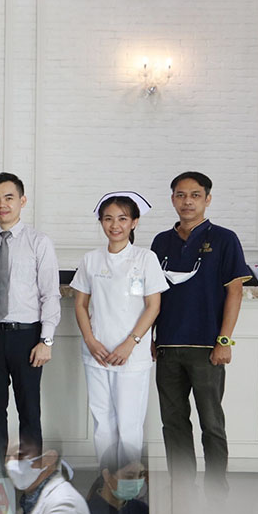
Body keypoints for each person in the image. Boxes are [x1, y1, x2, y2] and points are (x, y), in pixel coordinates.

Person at [151, 172, 252, 491]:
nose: (187, 201)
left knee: (211, 422)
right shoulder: (161, 242)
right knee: (173, 422)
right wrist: (152, 337)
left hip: (207, 348)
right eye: (180, 195)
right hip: (168, 347)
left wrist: (224, 340)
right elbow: (153, 295)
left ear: (207, 199)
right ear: (172, 199)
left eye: (195, 195)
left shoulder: (224, 239)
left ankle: (216, 488)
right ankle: (181, 486)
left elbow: (235, 291)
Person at [71, 193, 167, 470]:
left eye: (122, 219)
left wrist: (130, 343)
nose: (115, 225)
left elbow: (153, 306)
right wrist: (90, 341)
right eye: (108, 219)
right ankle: (107, 479)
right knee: (102, 421)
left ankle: (128, 484)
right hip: (97, 353)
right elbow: (80, 304)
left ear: (134, 222)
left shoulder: (145, 258)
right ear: (101, 222)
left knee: (129, 423)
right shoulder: (91, 259)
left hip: (131, 356)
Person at [0, 172, 60, 465]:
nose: (2, 204)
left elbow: (50, 294)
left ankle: (30, 476)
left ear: (22, 201)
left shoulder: (39, 242)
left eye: (9, 198)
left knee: (29, 410)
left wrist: (46, 341)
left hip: (27, 336)